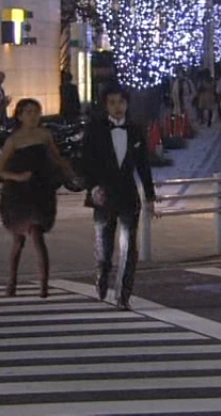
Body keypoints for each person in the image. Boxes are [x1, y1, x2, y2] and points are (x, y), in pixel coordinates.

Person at [76, 86, 155, 310]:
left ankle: (123, 295)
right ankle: (102, 275)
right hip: (103, 195)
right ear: (105, 106)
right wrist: (92, 188)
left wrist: (150, 196)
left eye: (121, 102)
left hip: (128, 194)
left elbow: (143, 165)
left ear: (127, 104)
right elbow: (85, 163)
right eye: (112, 102)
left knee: (129, 247)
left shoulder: (135, 130)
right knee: (104, 248)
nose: (117, 107)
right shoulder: (95, 130)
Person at [0, 98, 68, 298]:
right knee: (18, 241)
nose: (33, 116)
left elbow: (56, 157)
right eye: (28, 112)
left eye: (36, 112)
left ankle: (44, 285)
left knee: (37, 235)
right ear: (19, 116)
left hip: (41, 189)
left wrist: (68, 172)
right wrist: (18, 177)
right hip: (18, 194)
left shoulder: (44, 135)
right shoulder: (13, 140)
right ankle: (12, 281)